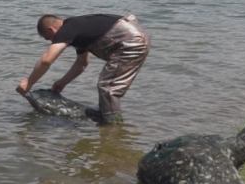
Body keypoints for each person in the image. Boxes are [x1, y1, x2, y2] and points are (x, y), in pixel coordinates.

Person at [16, 13, 150, 124]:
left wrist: (29, 82)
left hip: (130, 41)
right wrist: (63, 82)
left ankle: (114, 127)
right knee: (107, 86)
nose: (53, 42)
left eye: (50, 39)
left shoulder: (66, 30)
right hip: (134, 35)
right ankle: (109, 122)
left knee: (108, 88)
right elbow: (82, 63)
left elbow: (46, 59)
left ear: (52, 30)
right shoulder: (77, 31)